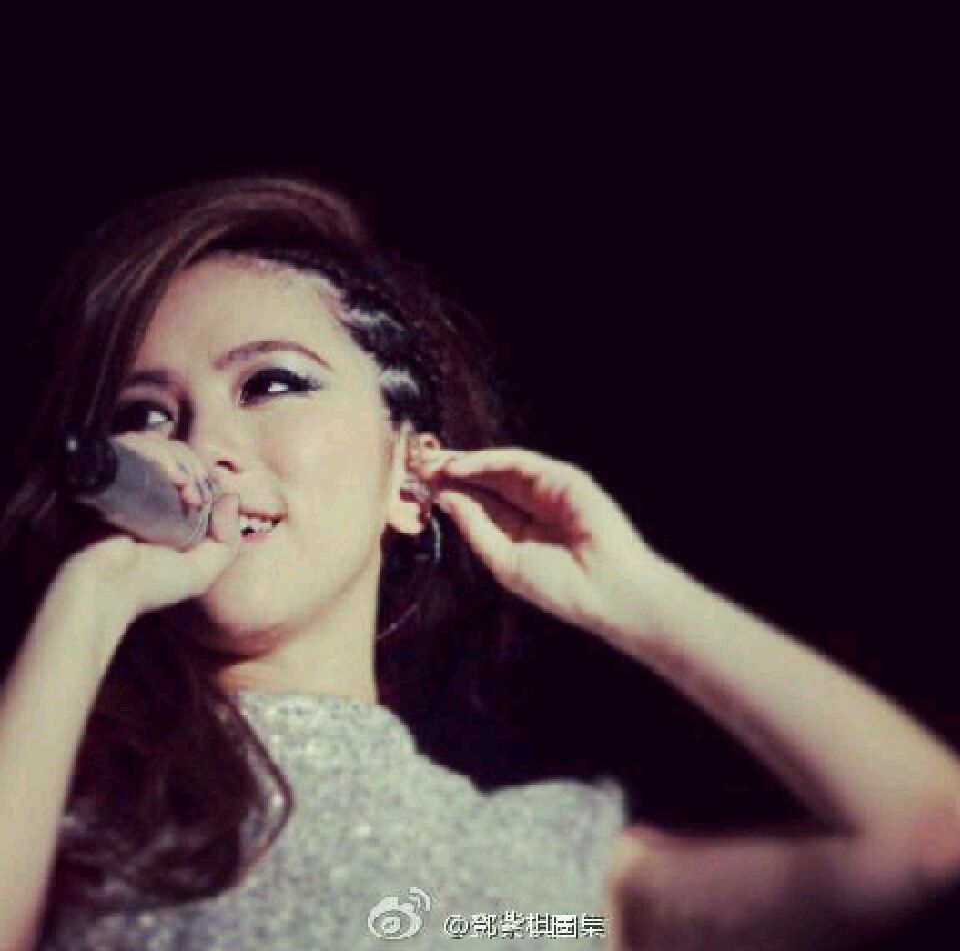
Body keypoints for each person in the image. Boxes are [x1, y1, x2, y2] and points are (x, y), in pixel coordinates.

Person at [0, 175, 958, 950]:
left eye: (272, 383)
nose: (202, 446)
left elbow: (927, 836)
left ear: (408, 474)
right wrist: (91, 599)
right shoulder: (60, 786)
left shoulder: (534, 892)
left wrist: (634, 596)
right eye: (146, 413)